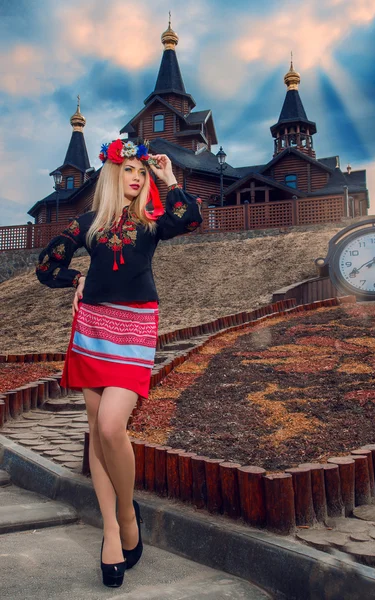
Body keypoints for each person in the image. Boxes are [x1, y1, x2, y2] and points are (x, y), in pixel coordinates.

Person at [35, 138, 203, 587]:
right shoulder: (88, 223)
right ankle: (111, 528)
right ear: (112, 173)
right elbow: (46, 267)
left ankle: (128, 515)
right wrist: (78, 277)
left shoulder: (152, 222)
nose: (135, 177)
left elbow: (190, 218)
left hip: (135, 328)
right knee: (97, 433)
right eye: (128, 169)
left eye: (141, 172)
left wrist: (169, 180)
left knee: (112, 427)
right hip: (91, 329)